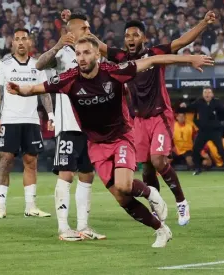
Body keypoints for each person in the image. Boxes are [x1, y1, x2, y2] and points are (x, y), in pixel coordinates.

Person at [7, 37, 214, 247]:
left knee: (124, 184)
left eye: (86, 52)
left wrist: (190, 59)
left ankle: (151, 192)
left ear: (97, 54)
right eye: (78, 54)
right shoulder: (69, 79)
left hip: (121, 137)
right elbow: (34, 89)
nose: (81, 58)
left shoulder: (114, 71)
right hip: (96, 145)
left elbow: (153, 61)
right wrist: (19, 89)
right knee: (121, 198)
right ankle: (161, 230)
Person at [90, 12, 216, 226]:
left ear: (144, 38)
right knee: (147, 167)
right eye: (128, 35)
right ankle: (156, 206)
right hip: (138, 120)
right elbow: (98, 46)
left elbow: (182, 41)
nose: (130, 39)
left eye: (135, 35)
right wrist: (80, 29)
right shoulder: (122, 58)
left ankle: (181, 201)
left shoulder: (155, 53)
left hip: (160, 115)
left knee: (158, 160)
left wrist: (203, 22)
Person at [35, 12, 105, 241]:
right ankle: (64, 228)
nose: (89, 30)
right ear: (72, 31)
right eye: (84, 28)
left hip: (91, 127)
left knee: (87, 174)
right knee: (66, 174)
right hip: (69, 126)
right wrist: (57, 44)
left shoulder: (95, 54)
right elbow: (39, 64)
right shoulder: (64, 54)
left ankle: (83, 226)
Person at [0, 28, 51, 219]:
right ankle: (1, 207)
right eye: (17, 39)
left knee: (31, 162)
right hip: (9, 119)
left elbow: (45, 92)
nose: (21, 42)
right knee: (5, 161)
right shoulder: (4, 64)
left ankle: (31, 206)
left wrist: (51, 114)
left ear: (30, 42)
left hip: (31, 120)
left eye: (24, 38)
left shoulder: (37, 65)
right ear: (13, 44)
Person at [180, 87, 224, 175]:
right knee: (196, 149)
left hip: (214, 131)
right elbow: (190, 107)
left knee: (221, 149)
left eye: (209, 92)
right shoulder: (199, 102)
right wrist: (184, 106)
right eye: (205, 92)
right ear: (203, 94)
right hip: (203, 131)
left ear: (212, 94)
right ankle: (197, 169)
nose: (207, 94)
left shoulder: (216, 102)